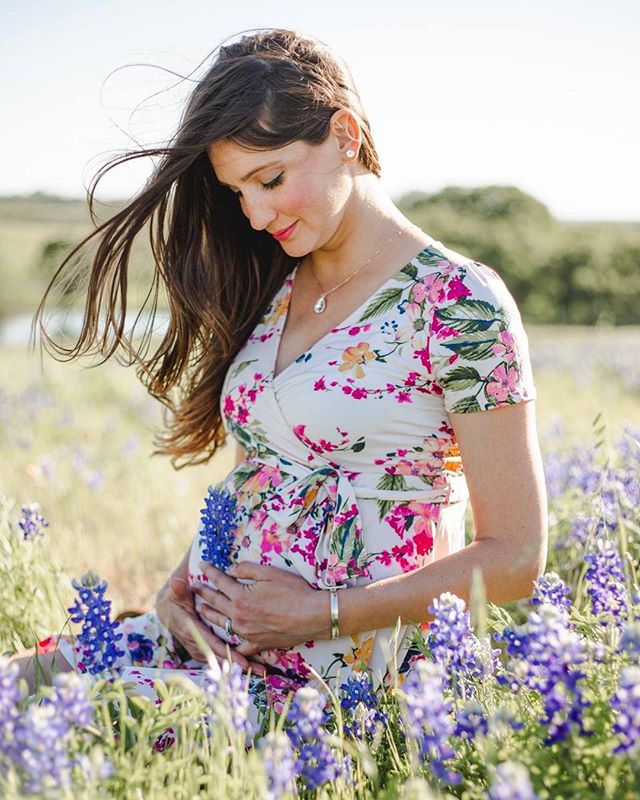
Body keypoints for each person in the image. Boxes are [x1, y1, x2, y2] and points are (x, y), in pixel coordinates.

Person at [13, 28, 547, 723]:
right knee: (14, 685)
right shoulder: (277, 282)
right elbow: (259, 474)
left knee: (59, 723)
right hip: (210, 637)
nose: (257, 214)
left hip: (333, 679)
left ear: (345, 134)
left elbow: (517, 556)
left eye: (270, 179)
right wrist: (185, 579)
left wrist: (319, 614)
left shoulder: (457, 302)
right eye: (238, 191)